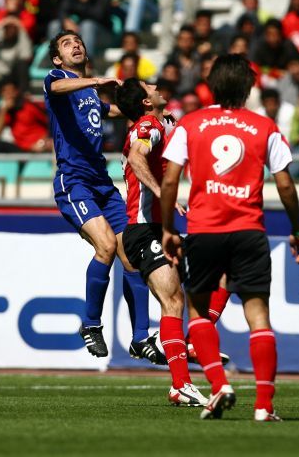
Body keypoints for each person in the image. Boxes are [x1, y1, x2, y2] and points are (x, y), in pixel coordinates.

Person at [160, 54, 299, 422]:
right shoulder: (265, 126)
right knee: (258, 316)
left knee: (198, 312)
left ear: (211, 86)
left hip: (204, 231)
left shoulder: (190, 124)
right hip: (249, 231)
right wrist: (297, 229)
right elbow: (285, 185)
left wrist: (167, 229)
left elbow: (170, 179)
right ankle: (264, 406)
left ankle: (218, 384)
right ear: (249, 88)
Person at [43, 30, 161, 362]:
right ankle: (91, 324)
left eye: (78, 41)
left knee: (131, 256)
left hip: (102, 183)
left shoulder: (91, 94)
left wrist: (151, 110)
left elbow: (116, 110)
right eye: (67, 44)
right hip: (74, 181)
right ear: (57, 59)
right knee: (106, 246)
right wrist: (97, 80)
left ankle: (140, 337)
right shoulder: (58, 79)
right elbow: (56, 89)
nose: (76, 45)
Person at [114, 78, 208, 406]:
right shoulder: (148, 125)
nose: (156, 85)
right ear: (145, 102)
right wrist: (161, 193)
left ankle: (188, 345)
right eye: (148, 86)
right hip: (145, 229)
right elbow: (137, 157)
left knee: (218, 275)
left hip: (162, 227)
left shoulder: (164, 122)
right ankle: (180, 384)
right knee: (172, 300)